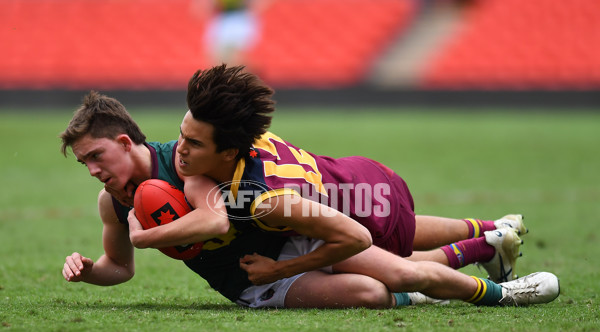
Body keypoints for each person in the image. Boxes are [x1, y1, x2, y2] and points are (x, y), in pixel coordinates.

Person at [132, 63, 560, 307]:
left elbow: (353, 237)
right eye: (181, 135)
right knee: (411, 235)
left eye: (193, 142)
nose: (180, 150)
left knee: (405, 268)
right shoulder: (245, 138)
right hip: (366, 178)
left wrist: (280, 270)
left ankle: (504, 292)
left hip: (367, 215)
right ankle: (493, 233)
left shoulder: (265, 201)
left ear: (228, 152)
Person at [59, 91, 448, 309]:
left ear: (125, 143)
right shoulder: (111, 204)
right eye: (84, 163)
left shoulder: (183, 164)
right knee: (371, 292)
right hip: (249, 281)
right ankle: (480, 247)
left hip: (288, 240)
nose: (93, 170)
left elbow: (215, 221)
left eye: (96, 156)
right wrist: (89, 270)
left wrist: (145, 237)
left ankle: (480, 246)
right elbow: (120, 268)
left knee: (392, 258)